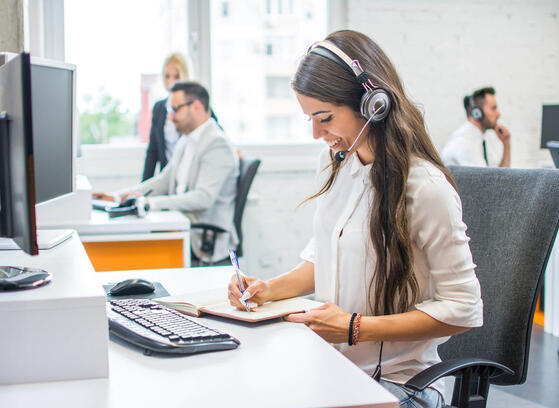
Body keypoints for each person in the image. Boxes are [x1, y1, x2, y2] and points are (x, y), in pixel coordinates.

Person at [228, 30, 482, 408]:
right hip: (332, 368)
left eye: (325, 117)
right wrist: (268, 289)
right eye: (310, 119)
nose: (317, 133)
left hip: (399, 385)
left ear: (373, 105)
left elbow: (464, 308)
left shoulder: (425, 189)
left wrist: (355, 328)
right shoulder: (335, 165)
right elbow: (325, 259)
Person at [95, 82, 239, 264]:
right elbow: (163, 181)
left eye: (175, 109)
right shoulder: (186, 141)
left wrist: (149, 203)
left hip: (202, 241)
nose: (170, 117)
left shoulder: (216, 144)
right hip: (182, 228)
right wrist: (119, 196)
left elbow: (203, 198)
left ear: (196, 107)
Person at [142, 53, 221, 181]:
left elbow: (214, 132)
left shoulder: (196, 106)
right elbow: (153, 151)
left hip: (190, 176)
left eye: (176, 76)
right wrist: (140, 191)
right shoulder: (159, 108)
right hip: (168, 176)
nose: (171, 81)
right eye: (167, 76)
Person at [441, 87, 511, 167]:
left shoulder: (478, 138)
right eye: (493, 108)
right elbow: (485, 179)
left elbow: (501, 175)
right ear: (477, 113)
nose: (498, 114)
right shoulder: (466, 143)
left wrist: (506, 143)